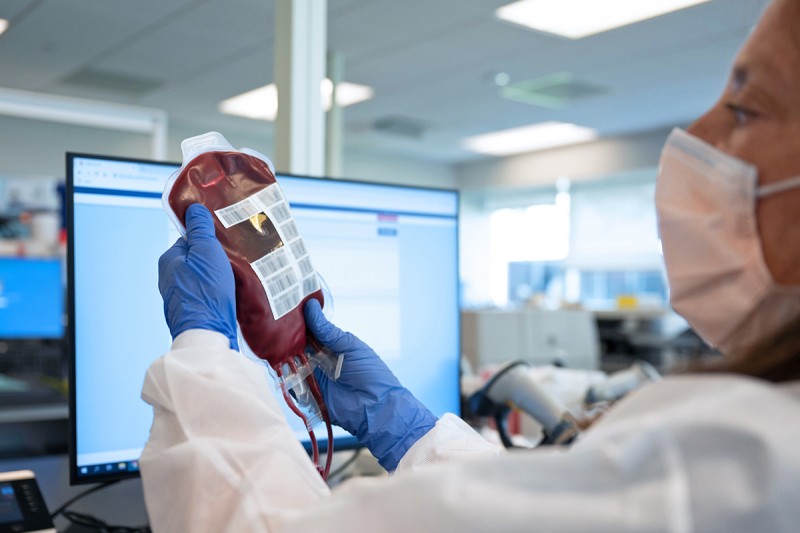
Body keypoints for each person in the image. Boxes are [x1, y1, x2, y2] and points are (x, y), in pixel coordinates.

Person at [140, 0, 800, 530]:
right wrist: (412, 431)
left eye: (744, 107)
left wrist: (202, 348)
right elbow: (522, 514)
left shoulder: (744, 457)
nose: (694, 138)